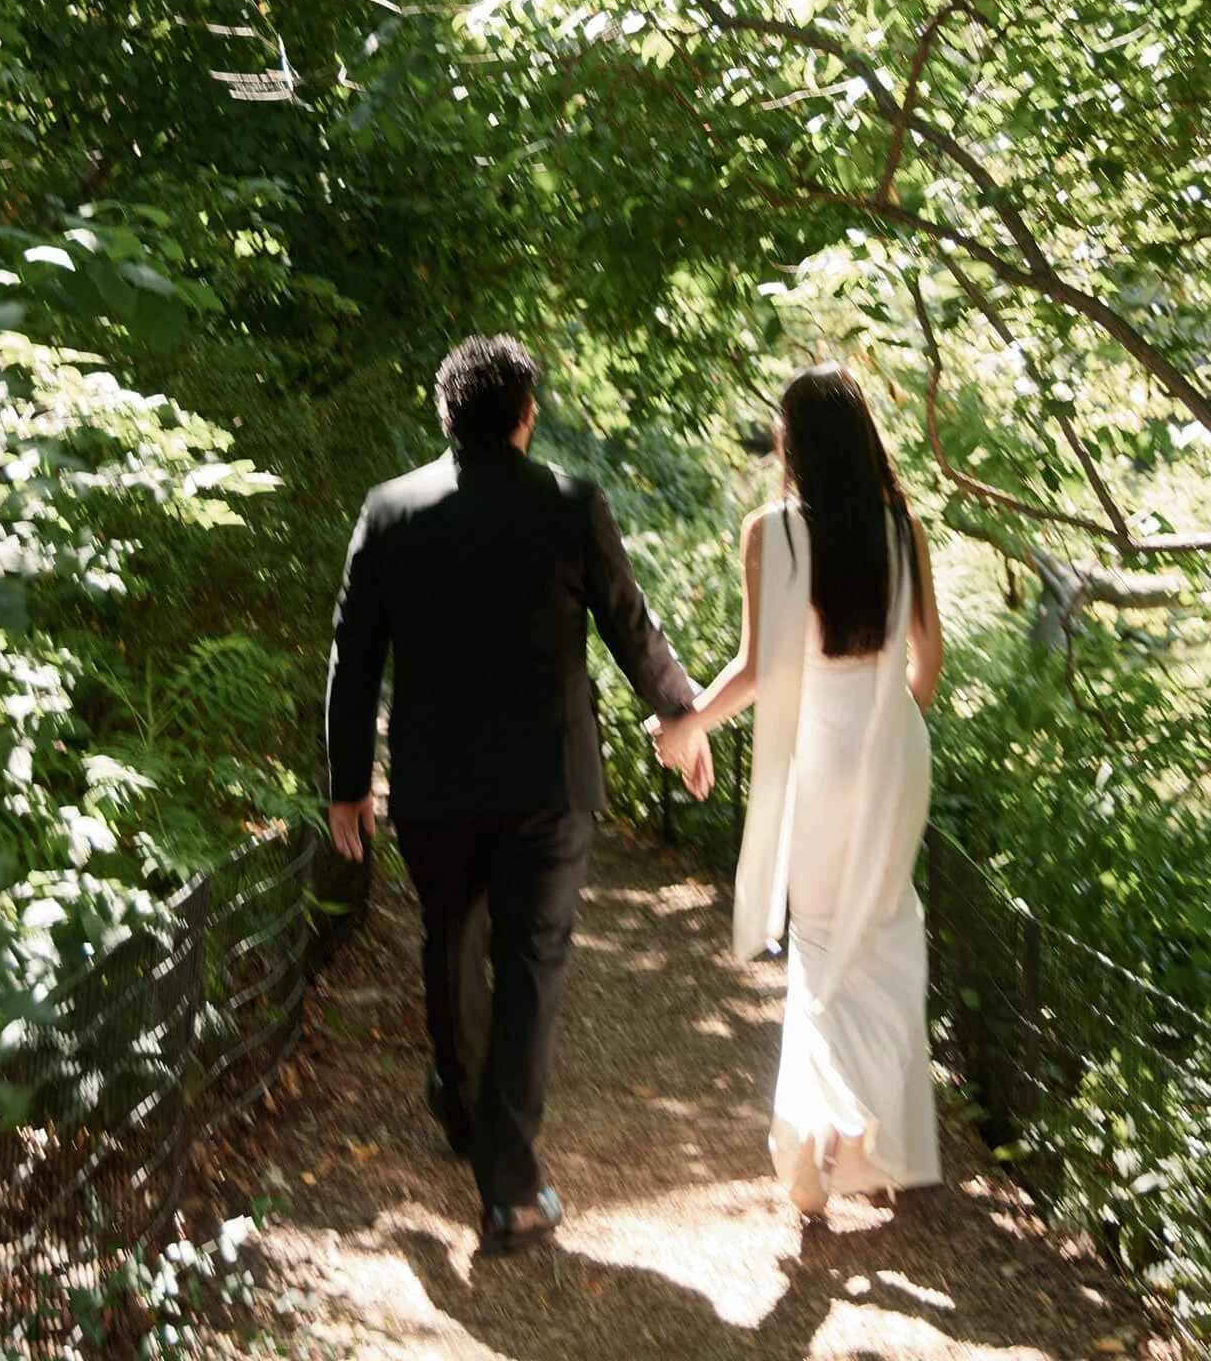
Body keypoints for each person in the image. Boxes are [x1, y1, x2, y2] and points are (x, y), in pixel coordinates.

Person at [325, 334, 711, 1255]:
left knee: (452, 939)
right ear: (527, 418)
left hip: (435, 784)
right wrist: (682, 714)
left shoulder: (390, 511)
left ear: (445, 414)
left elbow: (353, 655)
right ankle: (510, 1190)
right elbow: (630, 622)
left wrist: (348, 785)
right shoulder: (570, 504)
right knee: (532, 968)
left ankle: (465, 1111)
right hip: (550, 780)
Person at [655, 362, 943, 1215]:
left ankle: (820, 1133)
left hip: (817, 760)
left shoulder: (770, 533)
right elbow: (929, 661)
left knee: (817, 948)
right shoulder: (904, 530)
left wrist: (689, 724)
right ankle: (863, 1135)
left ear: (794, 443)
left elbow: (756, 670)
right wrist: (893, 730)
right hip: (894, 758)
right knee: (888, 937)